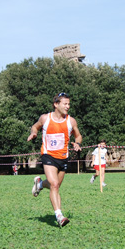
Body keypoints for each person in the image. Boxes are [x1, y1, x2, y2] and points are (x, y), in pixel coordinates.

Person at [28, 92, 82, 227]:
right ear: (56, 104)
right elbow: (35, 126)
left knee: (55, 186)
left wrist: (77, 143)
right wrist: (34, 132)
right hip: (48, 156)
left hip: (63, 157)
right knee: (54, 185)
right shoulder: (45, 118)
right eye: (65, 103)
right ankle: (59, 216)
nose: (68, 106)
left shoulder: (71, 121)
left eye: (69, 104)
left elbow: (78, 136)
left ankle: (39, 184)